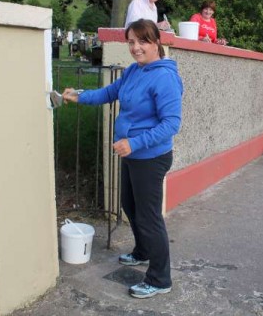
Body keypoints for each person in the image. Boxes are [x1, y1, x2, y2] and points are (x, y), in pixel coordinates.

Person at [62, 19, 183, 298]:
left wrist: (135, 142)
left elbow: (171, 124)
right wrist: (79, 96)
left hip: (151, 157)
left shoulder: (164, 77)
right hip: (132, 154)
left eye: (142, 41)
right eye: (131, 42)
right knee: (130, 205)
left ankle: (160, 279)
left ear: (156, 43)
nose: (136, 47)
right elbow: (108, 93)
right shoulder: (133, 71)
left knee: (150, 217)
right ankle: (142, 251)